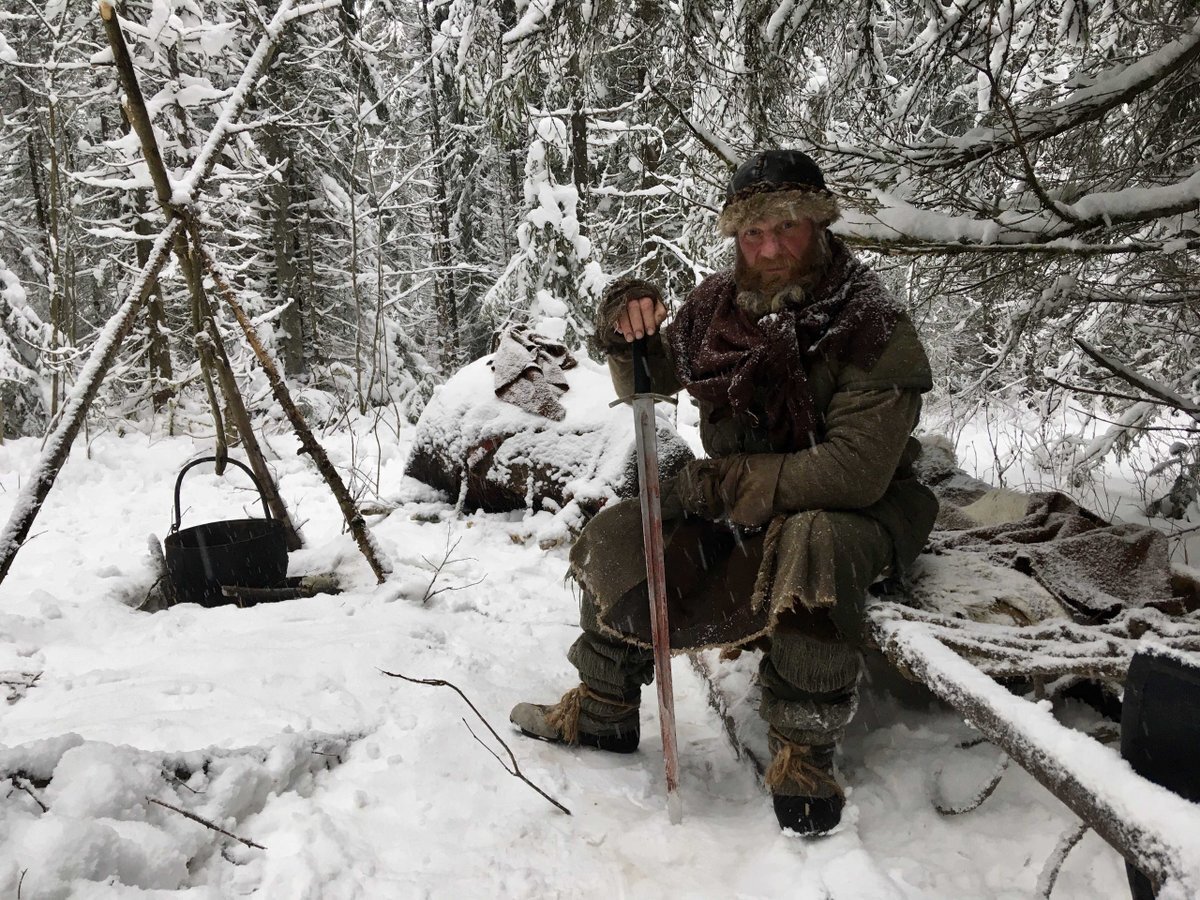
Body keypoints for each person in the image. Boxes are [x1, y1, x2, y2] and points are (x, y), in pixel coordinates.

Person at [510, 149, 938, 835]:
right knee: (626, 529)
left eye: (787, 227)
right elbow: (645, 381)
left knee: (813, 540)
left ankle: (803, 753)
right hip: (748, 511)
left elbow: (854, 472)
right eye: (752, 233)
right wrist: (629, 326)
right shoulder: (717, 308)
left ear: (819, 224)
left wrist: (727, 481)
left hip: (859, 511)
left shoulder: (870, 322)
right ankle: (602, 707)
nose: (770, 248)